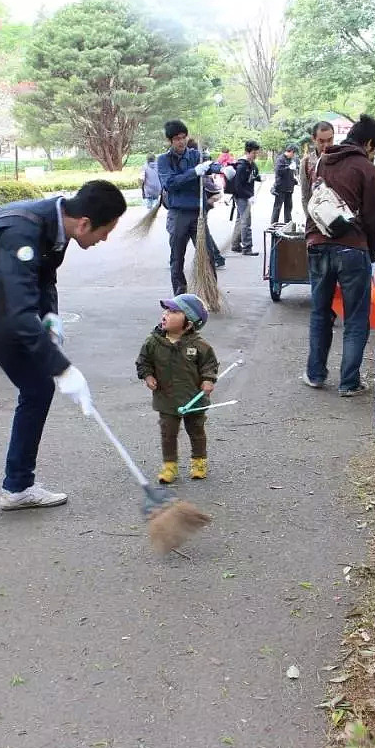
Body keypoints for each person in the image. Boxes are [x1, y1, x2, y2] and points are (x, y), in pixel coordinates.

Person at [0, 180, 127, 531]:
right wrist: (63, 369)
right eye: (106, 231)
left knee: (37, 388)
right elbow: (21, 315)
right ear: (84, 223)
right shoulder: (22, 230)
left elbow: (43, 277)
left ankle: (18, 487)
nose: (105, 240)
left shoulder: (57, 226)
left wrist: (50, 315)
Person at [301, 114, 375, 397]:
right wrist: (372, 253)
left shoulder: (324, 160)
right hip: (352, 247)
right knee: (356, 317)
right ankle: (349, 383)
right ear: (369, 143)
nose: (374, 154)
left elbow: (312, 201)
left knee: (320, 312)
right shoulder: (366, 168)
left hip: (318, 243)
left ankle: (315, 374)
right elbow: (372, 218)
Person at [135, 293, 219, 484]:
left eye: (173, 312)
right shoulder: (153, 342)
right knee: (168, 432)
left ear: (188, 324)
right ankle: (170, 465)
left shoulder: (199, 345)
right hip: (167, 398)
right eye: (166, 310)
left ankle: (199, 461)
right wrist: (148, 376)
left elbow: (210, 365)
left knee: (196, 430)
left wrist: (208, 380)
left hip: (193, 398)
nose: (165, 314)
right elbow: (143, 361)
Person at [156, 120, 226, 295]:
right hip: (178, 214)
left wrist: (221, 169)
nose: (181, 141)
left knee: (208, 255)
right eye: (177, 139)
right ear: (170, 141)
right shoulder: (164, 160)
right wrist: (194, 172)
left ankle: (211, 295)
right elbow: (170, 183)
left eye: (183, 137)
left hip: (197, 214)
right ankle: (180, 297)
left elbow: (210, 165)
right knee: (177, 258)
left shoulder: (196, 155)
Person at [228, 140, 261, 256]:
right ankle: (247, 247)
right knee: (246, 221)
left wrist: (258, 177)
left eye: (257, 153)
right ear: (247, 152)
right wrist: (248, 196)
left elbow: (254, 175)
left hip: (245, 196)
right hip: (242, 197)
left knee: (240, 220)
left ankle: (235, 244)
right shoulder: (242, 166)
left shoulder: (250, 164)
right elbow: (238, 186)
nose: (256, 155)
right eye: (254, 153)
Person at [301, 121, 335, 209]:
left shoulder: (341, 159)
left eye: (330, 140)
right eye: (321, 141)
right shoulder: (306, 162)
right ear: (313, 139)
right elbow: (305, 196)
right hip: (316, 216)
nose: (326, 145)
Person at [270, 144, 298, 225]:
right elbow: (279, 171)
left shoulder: (290, 160)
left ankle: (288, 225)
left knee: (288, 208)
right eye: (294, 153)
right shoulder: (280, 159)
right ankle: (273, 225)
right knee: (277, 208)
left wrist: (294, 181)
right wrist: (288, 168)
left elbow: (290, 174)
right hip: (280, 188)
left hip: (289, 188)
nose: (294, 155)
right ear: (291, 151)